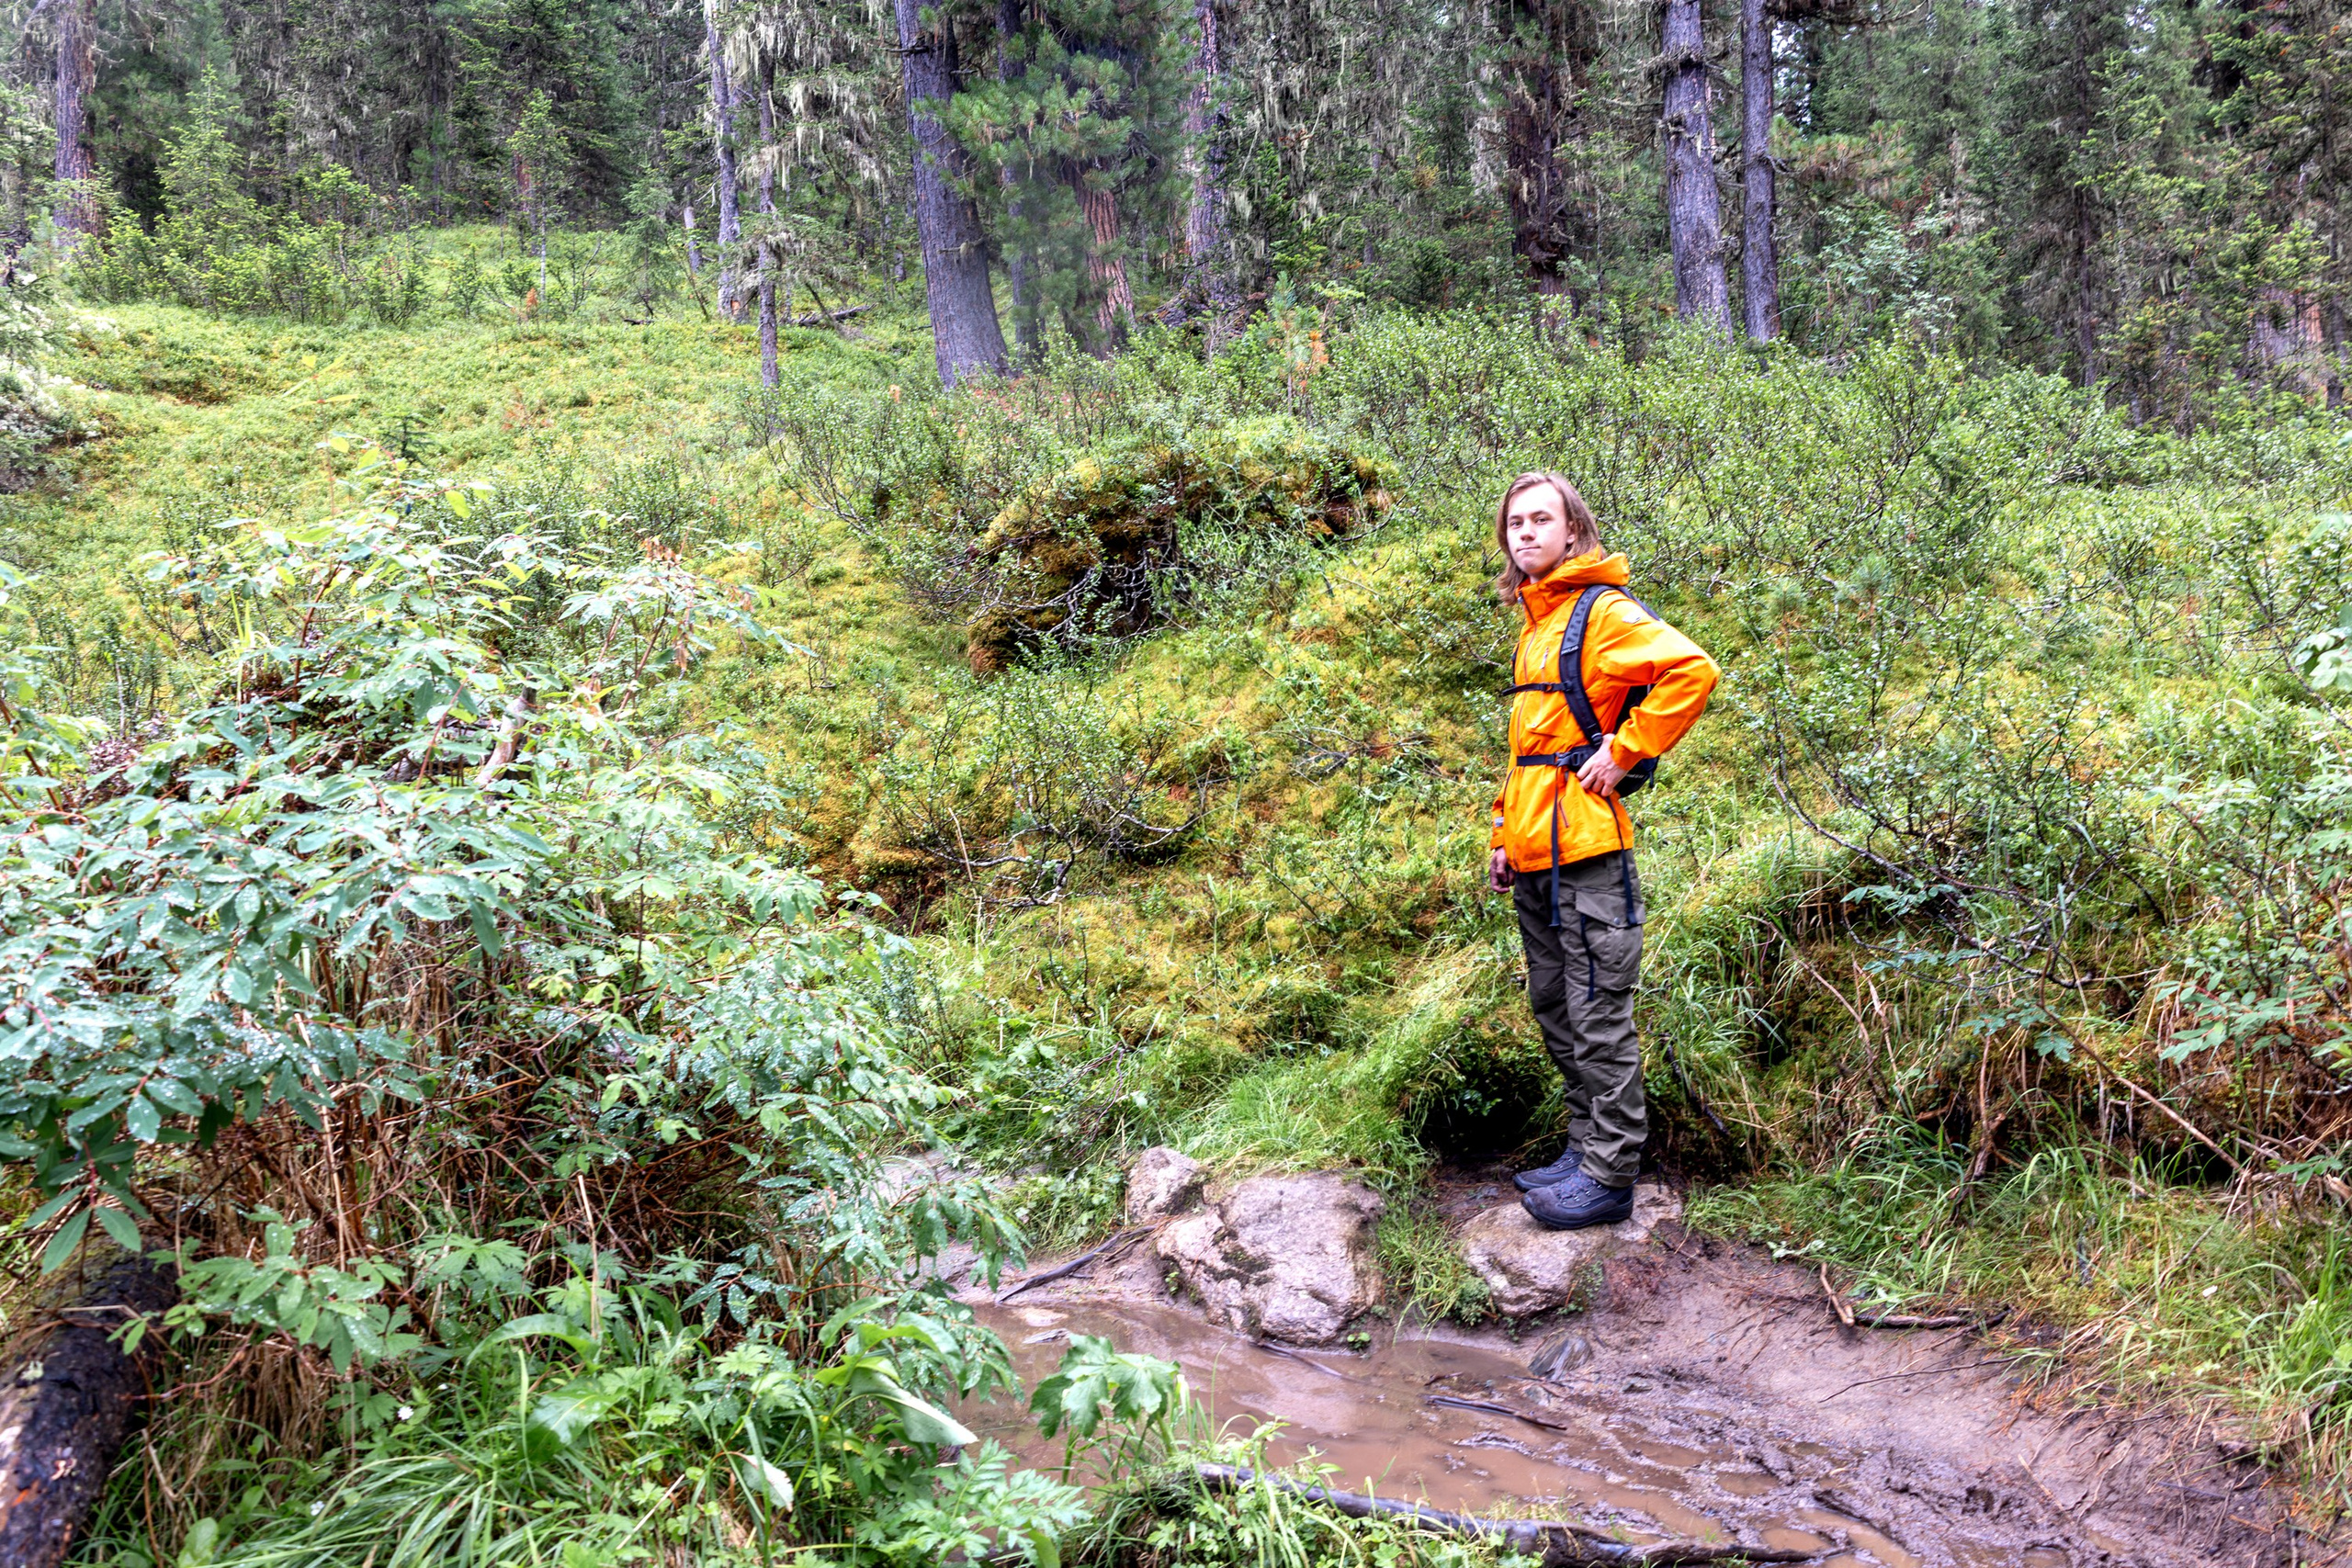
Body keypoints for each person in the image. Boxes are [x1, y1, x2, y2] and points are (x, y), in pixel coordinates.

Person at [1487, 472, 1719, 1229]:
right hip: (1533, 854)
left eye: (1540, 519)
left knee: (1598, 1013)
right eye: (1515, 522)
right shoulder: (1534, 622)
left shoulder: (1603, 612)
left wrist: (1625, 750)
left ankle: (1612, 1175)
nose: (1525, 532)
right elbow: (1527, 751)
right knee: (1554, 1005)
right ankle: (1584, 1147)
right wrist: (1501, 834)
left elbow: (1693, 670)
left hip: (1589, 853)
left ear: (1573, 532)